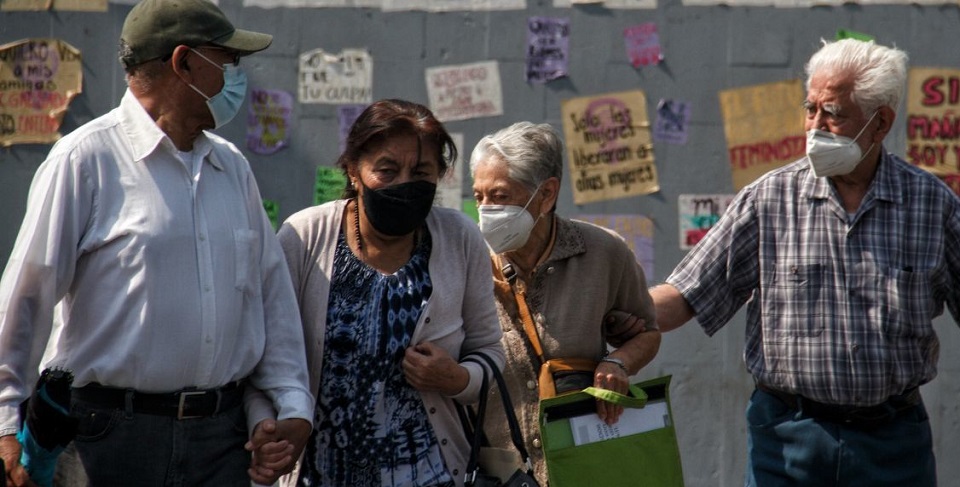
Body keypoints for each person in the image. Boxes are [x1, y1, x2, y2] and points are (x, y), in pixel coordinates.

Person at [0, 0, 315, 485]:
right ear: (184, 62)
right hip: (105, 438)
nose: (236, 75)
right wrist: (5, 426)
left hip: (221, 439)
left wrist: (292, 402)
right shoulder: (87, 159)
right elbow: (25, 298)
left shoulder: (231, 168)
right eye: (227, 60)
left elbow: (269, 298)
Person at [651, 38, 960, 486]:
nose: (815, 125)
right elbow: (686, 293)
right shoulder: (768, 199)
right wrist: (618, 309)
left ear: (880, 124)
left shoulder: (933, 206)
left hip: (894, 443)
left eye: (833, 113)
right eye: (809, 108)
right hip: (787, 439)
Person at [245, 98, 505, 487]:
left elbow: (490, 351)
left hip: (432, 474)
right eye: (387, 170)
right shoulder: (305, 236)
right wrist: (268, 427)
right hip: (320, 475)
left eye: (421, 171)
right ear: (353, 170)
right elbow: (264, 358)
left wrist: (457, 378)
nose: (404, 184)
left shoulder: (460, 238)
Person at [469, 121, 661, 484]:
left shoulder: (604, 252)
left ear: (546, 195)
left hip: (581, 466)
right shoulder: (466, 262)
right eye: (479, 197)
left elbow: (647, 332)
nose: (486, 210)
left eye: (500, 196)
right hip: (497, 472)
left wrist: (619, 362)